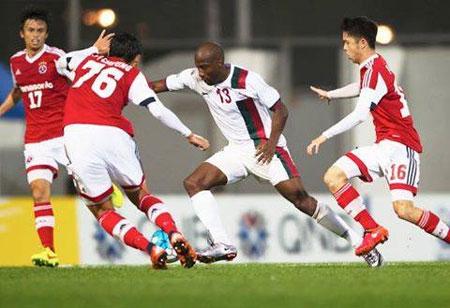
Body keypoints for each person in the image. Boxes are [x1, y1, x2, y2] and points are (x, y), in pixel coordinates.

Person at [150, 42, 383, 267]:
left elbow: (281, 109)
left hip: (266, 149)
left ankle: (360, 241)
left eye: (205, 66)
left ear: (219, 63)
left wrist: (272, 143)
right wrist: (128, 86)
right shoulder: (193, 78)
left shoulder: (246, 80)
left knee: (301, 200)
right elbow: (158, 85)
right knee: (194, 183)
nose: (200, 72)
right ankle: (222, 243)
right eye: (198, 66)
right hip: (236, 151)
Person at [57, 32, 210, 269]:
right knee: (141, 195)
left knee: (102, 211)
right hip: (114, 135)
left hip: (77, 136)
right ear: (135, 59)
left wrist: (92, 49)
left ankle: (152, 249)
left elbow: (61, 61)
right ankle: (173, 233)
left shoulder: (85, 61)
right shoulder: (132, 74)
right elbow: (157, 110)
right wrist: (187, 133)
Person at [307, 16, 450, 256]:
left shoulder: (374, 70)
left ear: (362, 43)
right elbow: (363, 89)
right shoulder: (372, 67)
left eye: (347, 42)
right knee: (334, 176)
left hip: (402, 147)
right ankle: (372, 229)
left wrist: (324, 135)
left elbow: (360, 114)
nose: (344, 48)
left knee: (404, 210)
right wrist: (332, 94)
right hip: (383, 145)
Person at [0, 8, 120, 267]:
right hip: (35, 139)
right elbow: (18, 91)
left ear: (46, 34)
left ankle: (109, 185)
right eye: (31, 31)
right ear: (22, 34)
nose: (35, 36)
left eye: (40, 31)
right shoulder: (16, 62)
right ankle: (49, 251)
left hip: (64, 135)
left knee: (91, 192)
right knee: (39, 192)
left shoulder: (57, 57)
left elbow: (80, 72)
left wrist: (93, 52)